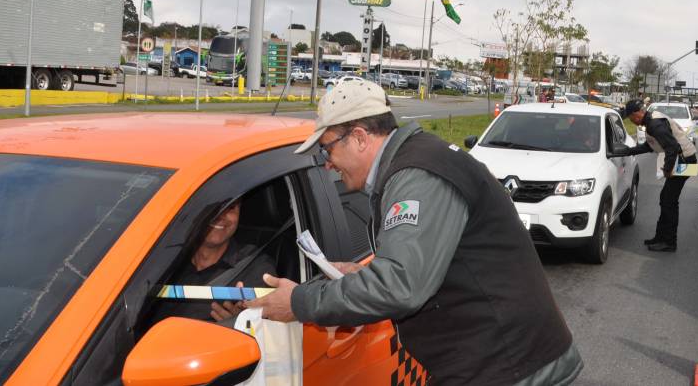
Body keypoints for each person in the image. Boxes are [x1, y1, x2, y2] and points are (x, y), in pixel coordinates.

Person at [248, 80, 582, 385]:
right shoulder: (418, 161)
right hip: (499, 362)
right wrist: (353, 274)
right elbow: (426, 260)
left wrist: (298, 301)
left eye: (327, 149)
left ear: (360, 137)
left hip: (510, 368)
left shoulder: (418, 176)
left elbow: (401, 285)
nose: (327, 163)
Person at [147, 200, 276, 324]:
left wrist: (242, 324)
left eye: (230, 207)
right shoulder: (163, 261)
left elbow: (265, 330)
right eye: (212, 205)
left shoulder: (255, 268)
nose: (220, 215)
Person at [618, 98, 698, 252]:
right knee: (666, 198)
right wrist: (628, 151)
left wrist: (667, 170)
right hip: (685, 160)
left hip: (685, 162)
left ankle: (669, 242)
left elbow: (672, 147)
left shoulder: (655, 124)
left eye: (630, 118)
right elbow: (650, 146)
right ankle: (660, 237)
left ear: (637, 114)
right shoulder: (651, 122)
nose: (632, 121)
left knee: (669, 201)